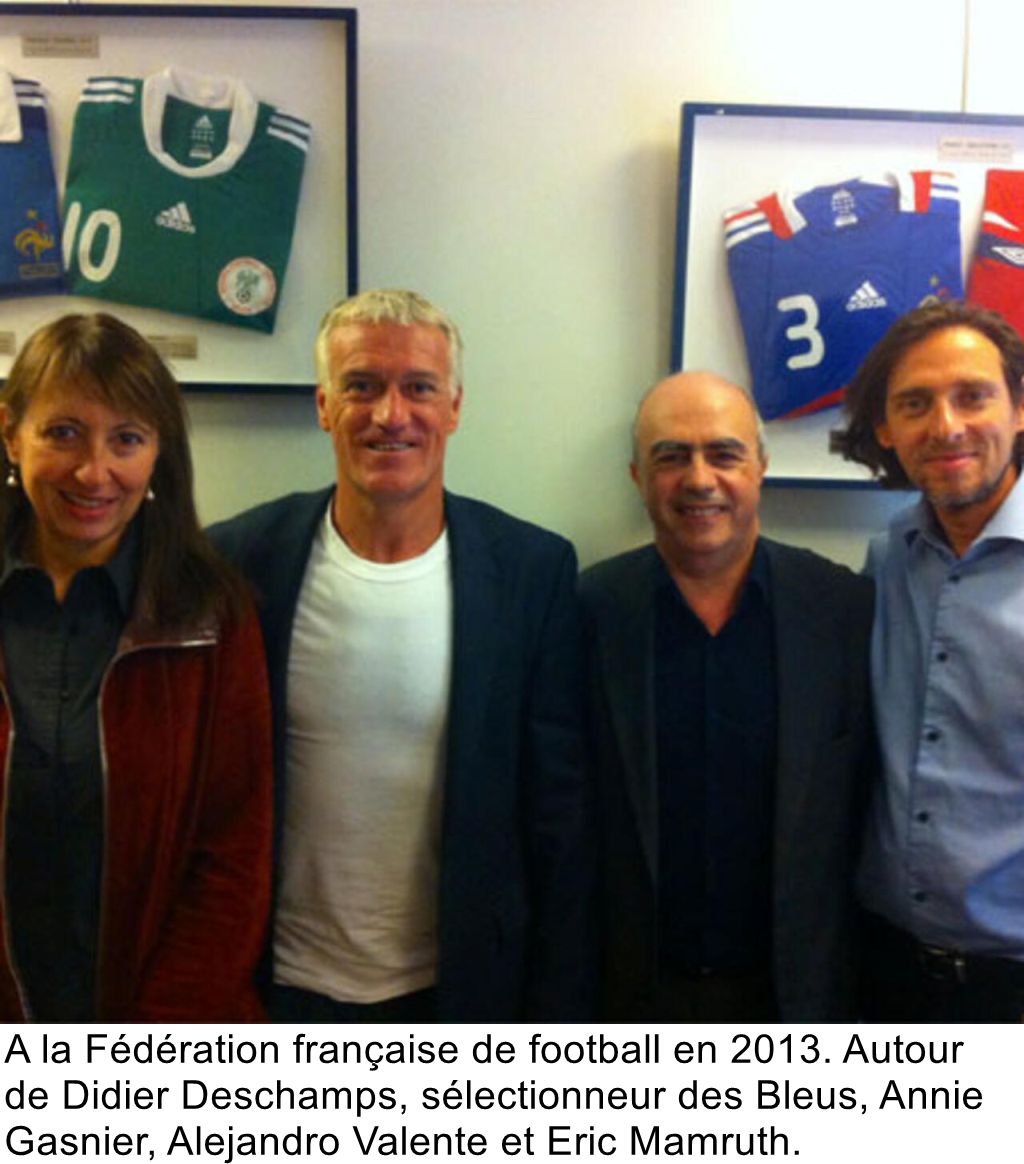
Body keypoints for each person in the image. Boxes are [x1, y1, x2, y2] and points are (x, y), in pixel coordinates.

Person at [209, 288, 592, 1023]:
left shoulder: (530, 572)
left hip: (459, 993)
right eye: (362, 386)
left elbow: (559, 818)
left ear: (454, 407)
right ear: (324, 405)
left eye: (418, 387)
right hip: (273, 989)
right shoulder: (239, 560)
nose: (391, 414)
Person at [0, 312, 272, 1023]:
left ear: (159, 453)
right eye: (63, 433)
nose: (95, 471)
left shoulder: (214, 615)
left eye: (126, 438)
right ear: (9, 433)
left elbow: (233, 854)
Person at [580, 371, 874, 1021]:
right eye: (671, 456)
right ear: (637, 476)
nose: (699, 478)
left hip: (798, 999)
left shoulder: (845, 609)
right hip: (629, 998)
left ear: (761, 467)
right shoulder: (586, 612)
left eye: (724, 453)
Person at [834, 299, 1024, 1021]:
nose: (945, 426)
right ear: (885, 429)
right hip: (883, 966)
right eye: (915, 403)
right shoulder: (888, 557)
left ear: (1019, 410)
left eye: (973, 396)